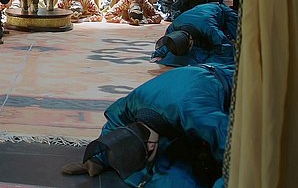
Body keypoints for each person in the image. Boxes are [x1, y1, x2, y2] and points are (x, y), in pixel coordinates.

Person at [61, 63, 234, 188]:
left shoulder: (197, 115)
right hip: (182, 82)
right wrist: (98, 158)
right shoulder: (131, 104)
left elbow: (231, 146)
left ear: (151, 146)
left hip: (227, 79)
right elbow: (115, 122)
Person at [150, 2, 238, 67]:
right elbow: (169, 42)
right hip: (196, 11)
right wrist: (158, 55)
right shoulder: (174, 26)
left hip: (220, 10)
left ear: (191, 41)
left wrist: (211, 64)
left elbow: (223, 46)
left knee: (239, 35)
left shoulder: (209, 28)